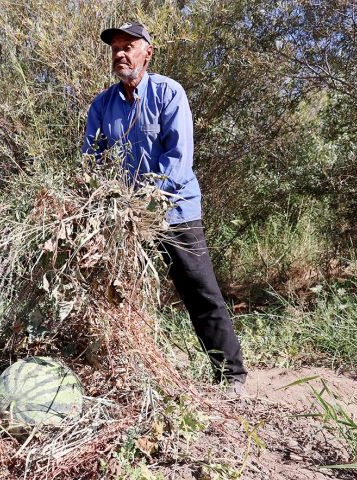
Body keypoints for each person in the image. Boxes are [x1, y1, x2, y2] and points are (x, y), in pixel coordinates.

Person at [82, 21, 248, 395]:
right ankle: (130, 377)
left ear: (148, 52)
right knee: (118, 296)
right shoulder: (102, 104)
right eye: (115, 48)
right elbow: (90, 159)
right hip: (122, 220)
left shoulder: (168, 93)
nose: (121, 53)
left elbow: (178, 160)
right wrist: (101, 200)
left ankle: (231, 376)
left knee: (200, 292)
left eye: (129, 46)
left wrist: (142, 201)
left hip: (174, 211)